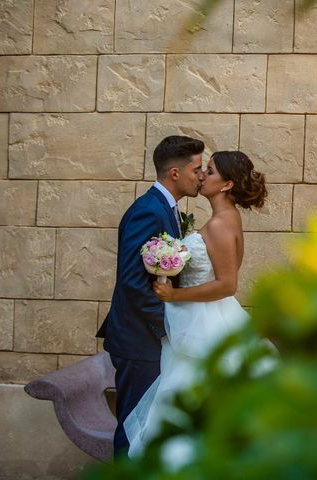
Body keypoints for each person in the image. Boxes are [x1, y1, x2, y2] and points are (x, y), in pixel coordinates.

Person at [123, 151, 269, 457]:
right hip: (199, 317)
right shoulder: (226, 218)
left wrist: (174, 295)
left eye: (211, 172)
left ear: (227, 184)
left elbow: (227, 285)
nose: (202, 175)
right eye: (203, 170)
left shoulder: (219, 224)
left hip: (201, 322)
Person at [98, 135, 205, 457]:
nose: (201, 176)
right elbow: (132, 280)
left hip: (148, 338)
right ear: (175, 173)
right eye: (197, 169)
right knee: (133, 424)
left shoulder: (167, 209)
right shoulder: (148, 210)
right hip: (138, 339)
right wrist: (169, 327)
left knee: (147, 424)